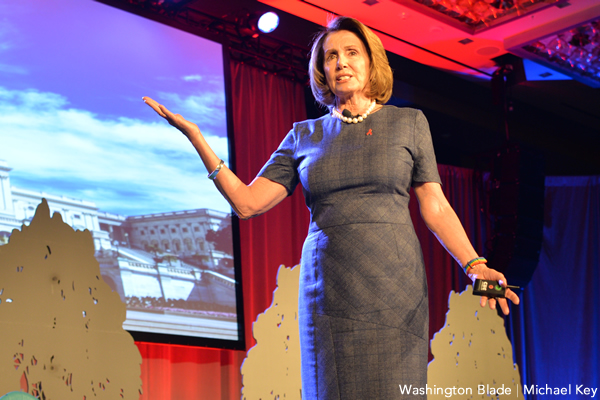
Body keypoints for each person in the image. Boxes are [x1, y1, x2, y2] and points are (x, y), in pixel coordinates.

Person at [143, 16, 520, 400]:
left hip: (395, 289)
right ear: (321, 71)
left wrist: (476, 267)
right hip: (327, 293)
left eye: (351, 52)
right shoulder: (303, 136)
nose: (341, 62)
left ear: (371, 62)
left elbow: (435, 205)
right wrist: (197, 138)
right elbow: (247, 203)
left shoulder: (408, 123)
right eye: (331, 56)